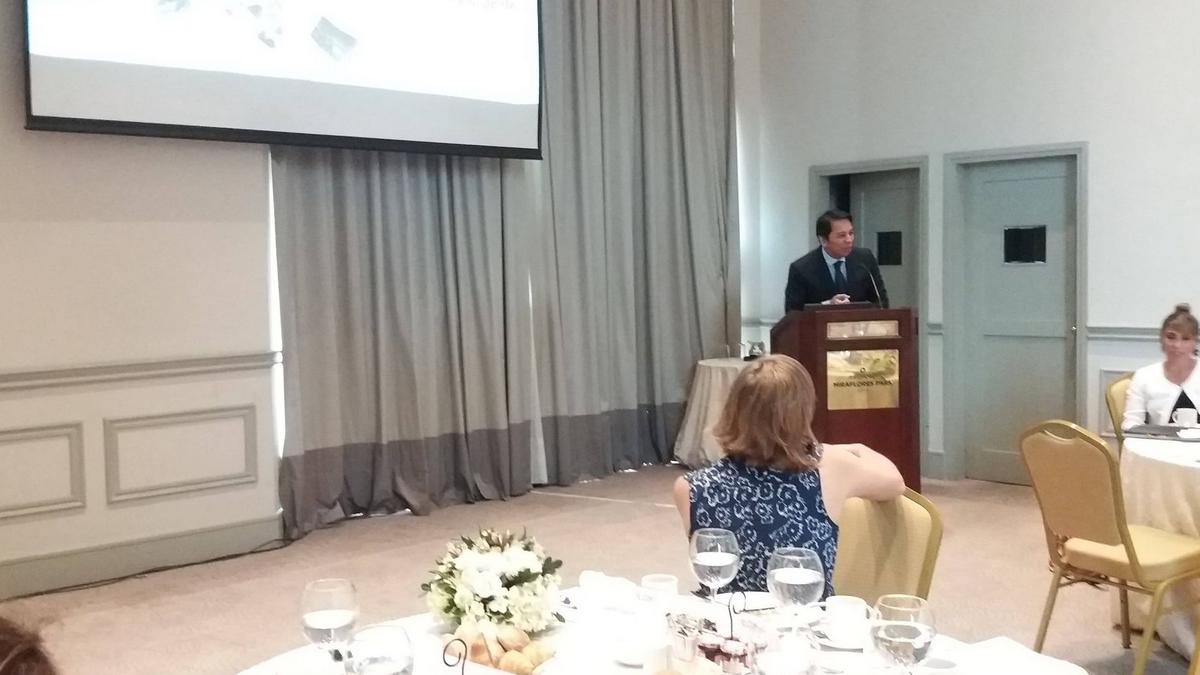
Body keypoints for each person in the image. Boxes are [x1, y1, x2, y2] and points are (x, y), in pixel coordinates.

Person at [672, 354, 905, 598]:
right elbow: (895, 482)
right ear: (803, 412)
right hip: (807, 617)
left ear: (734, 408)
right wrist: (856, 448)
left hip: (727, 619)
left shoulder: (689, 488)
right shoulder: (831, 468)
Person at [784, 209, 889, 312]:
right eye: (842, 235)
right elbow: (793, 312)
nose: (849, 240)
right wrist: (828, 305)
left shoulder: (865, 259)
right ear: (823, 240)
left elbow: (881, 302)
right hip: (821, 323)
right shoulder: (801, 269)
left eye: (851, 233)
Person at [1122, 303, 1200, 429]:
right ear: (1161, 338)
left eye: (1185, 339)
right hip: (1158, 441)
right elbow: (1131, 423)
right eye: (1171, 337)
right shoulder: (1144, 376)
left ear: (1195, 342)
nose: (1177, 345)